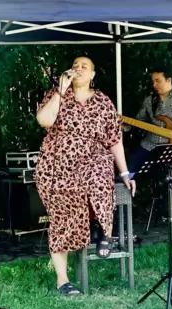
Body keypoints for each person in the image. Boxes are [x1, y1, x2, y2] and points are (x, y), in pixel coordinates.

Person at [35, 56, 136, 296]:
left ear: (92, 75)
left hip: (92, 160)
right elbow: (44, 121)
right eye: (75, 65)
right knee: (61, 216)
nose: (79, 69)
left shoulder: (102, 101)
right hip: (57, 165)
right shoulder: (57, 95)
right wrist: (60, 90)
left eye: (85, 67)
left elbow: (114, 140)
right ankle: (63, 280)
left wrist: (124, 173)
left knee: (101, 166)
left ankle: (104, 231)